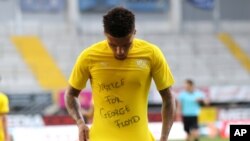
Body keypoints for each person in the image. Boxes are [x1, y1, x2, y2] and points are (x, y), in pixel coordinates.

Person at [65, 7, 175, 141]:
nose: (120, 51)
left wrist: (164, 137)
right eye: (113, 45)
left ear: (134, 32)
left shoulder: (151, 54)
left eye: (126, 45)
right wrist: (80, 122)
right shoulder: (89, 57)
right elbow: (71, 94)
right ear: (105, 34)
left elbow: (168, 98)